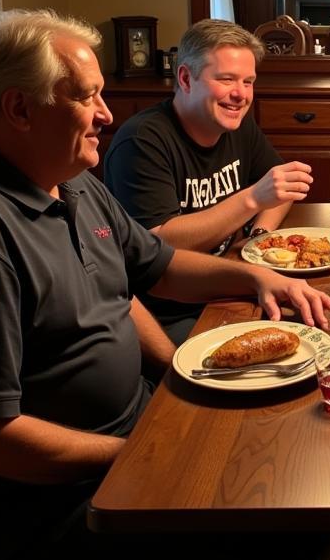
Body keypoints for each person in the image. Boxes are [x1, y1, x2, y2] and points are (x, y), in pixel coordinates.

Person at [0, 10, 329, 560]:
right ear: (19, 109)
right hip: (47, 510)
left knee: (297, 478)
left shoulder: (69, 180)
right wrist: (137, 453)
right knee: (272, 544)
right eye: (87, 97)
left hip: (136, 428)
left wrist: (254, 274)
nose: (106, 114)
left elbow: (158, 267)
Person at [105, 19, 317, 343]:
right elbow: (160, 243)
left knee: (320, 326)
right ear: (186, 79)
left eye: (248, 82)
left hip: (232, 282)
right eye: (226, 79)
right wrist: (251, 200)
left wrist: (258, 239)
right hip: (169, 311)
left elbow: (281, 189)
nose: (240, 95)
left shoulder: (236, 125)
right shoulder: (141, 141)